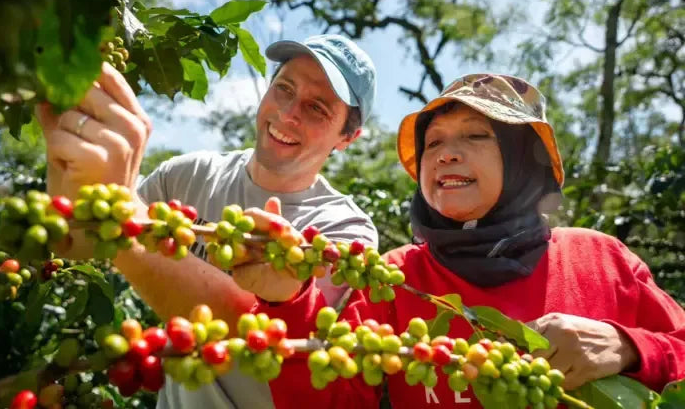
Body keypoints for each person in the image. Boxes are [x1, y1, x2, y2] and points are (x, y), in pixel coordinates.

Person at [242, 73, 685, 408]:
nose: (446, 154)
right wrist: (288, 304)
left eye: (476, 135)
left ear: (522, 160)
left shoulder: (599, 258)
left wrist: (629, 347)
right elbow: (328, 398)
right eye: (432, 142)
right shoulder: (394, 278)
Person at [35, 34, 379, 408]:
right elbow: (83, 245)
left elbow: (260, 335)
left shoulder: (345, 232)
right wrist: (70, 181)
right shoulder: (188, 175)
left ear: (347, 138)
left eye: (317, 109)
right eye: (284, 88)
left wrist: (121, 215)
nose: (289, 113)